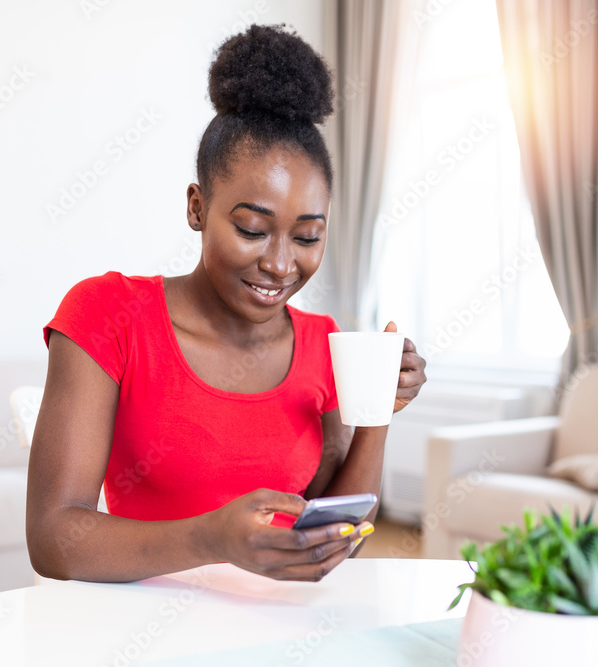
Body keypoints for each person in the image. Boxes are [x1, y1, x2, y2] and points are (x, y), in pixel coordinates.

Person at [25, 24, 427, 584]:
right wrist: (212, 537)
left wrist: (376, 412)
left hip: (277, 627)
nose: (282, 264)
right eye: (252, 229)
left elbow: (335, 538)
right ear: (197, 207)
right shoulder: (109, 314)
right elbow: (53, 538)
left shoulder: (323, 341)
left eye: (307, 237)